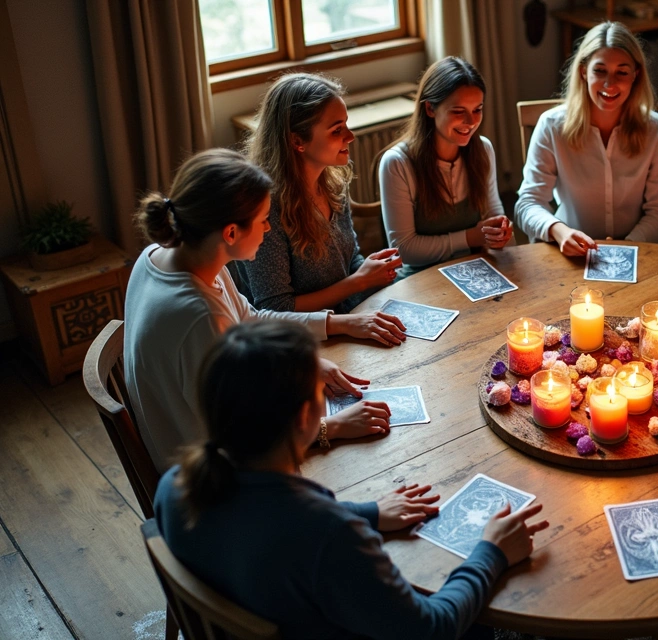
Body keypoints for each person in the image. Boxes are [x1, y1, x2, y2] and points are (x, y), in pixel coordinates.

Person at [154, 320, 548, 639]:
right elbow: (432, 628)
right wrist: (490, 554)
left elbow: (269, 517)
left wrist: (368, 512)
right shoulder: (329, 536)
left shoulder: (174, 484)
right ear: (306, 418)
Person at [125, 149, 407, 472]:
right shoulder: (200, 317)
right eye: (263, 221)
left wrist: (334, 327)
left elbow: (252, 319)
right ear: (231, 233)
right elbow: (243, 439)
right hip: (212, 484)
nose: (269, 230)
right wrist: (334, 426)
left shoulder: (172, 256)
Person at [241, 73, 402, 313]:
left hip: (347, 318)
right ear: (297, 141)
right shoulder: (266, 208)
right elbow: (275, 307)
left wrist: (373, 269)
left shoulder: (333, 184)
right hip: (303, 338)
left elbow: (349, 261)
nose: (350, 136)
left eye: (346, 124)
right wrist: (359, 282)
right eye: (337, 130)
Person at [515, 21, 658, 255]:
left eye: (622, 72)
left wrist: (627, 248)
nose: (609, 84)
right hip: (571, 251)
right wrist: (559, 232)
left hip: (635, 248)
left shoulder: (657, 129)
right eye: (599, 71)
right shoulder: (551, 125)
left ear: (636, 75)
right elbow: (528, 203)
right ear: (583, 71)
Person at [380, 56, 512, 276]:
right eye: (459, 112)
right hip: (419, 280)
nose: (471, 122)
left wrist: (500, 234)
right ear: (430, 109)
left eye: (477, 109)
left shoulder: (484, 149)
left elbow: (493, 213)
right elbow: (404, 250)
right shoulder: (398, 164)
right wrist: (470, 237)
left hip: (475, 269)